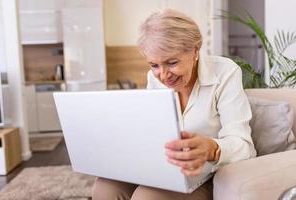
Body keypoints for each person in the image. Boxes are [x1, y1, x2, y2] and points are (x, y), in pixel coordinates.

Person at [92, 9, 256, 200]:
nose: (163, 75)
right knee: (104, 188)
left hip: (207, 174)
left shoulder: (225, 73)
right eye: (154, 65)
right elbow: (151, 132)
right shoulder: (154, 80)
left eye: (172, 62)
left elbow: (245, 147)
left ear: (196, 50)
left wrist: (212, 148)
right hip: (164, 169)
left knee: (147, 197)